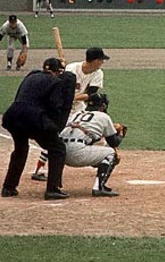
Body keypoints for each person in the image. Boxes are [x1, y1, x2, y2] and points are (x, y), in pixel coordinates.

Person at [1, 58, 75, 200]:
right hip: (33, 118)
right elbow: (55, 106)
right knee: (58, 148)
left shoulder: (31, 76)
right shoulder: (56, 82)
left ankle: (8, 187)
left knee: (20, 149)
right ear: (57, 71)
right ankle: (52, 189)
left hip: (12, 115)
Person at [32, 47, 110, 181]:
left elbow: (91, 94)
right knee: (58, 136)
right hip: (62, 109)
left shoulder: (98, 73)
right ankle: (39, 170)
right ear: (96, 60)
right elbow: (57, 87)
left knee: (90, 133)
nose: (102, 63)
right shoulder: (72, 68)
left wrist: (73, 98)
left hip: (78, 108)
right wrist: (67, 97)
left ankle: (98, 160)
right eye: (101, 60)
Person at [61, 93, 125, 197]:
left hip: (59, 154)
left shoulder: (76, 114)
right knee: (111, 154)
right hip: (76, 153)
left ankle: (54, 185)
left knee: (97, 147)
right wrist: (121, 133)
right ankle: (99, 187)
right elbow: (114, 143)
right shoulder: (104, 116)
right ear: (103, 106)